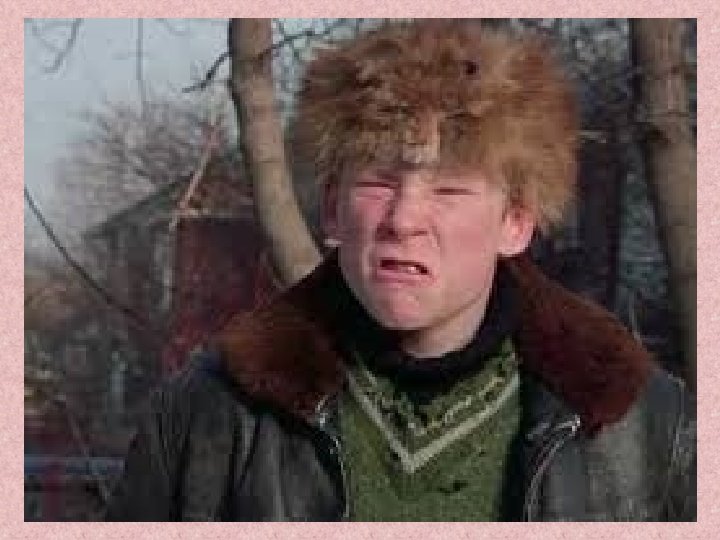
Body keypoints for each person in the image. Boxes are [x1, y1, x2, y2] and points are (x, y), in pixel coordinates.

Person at [106, 20, 696, 521]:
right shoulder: (211, 414)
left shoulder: (642, 426)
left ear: (515, 224)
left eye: (449, 188)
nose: (404, 218)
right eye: (378, 181)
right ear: (333, 208)